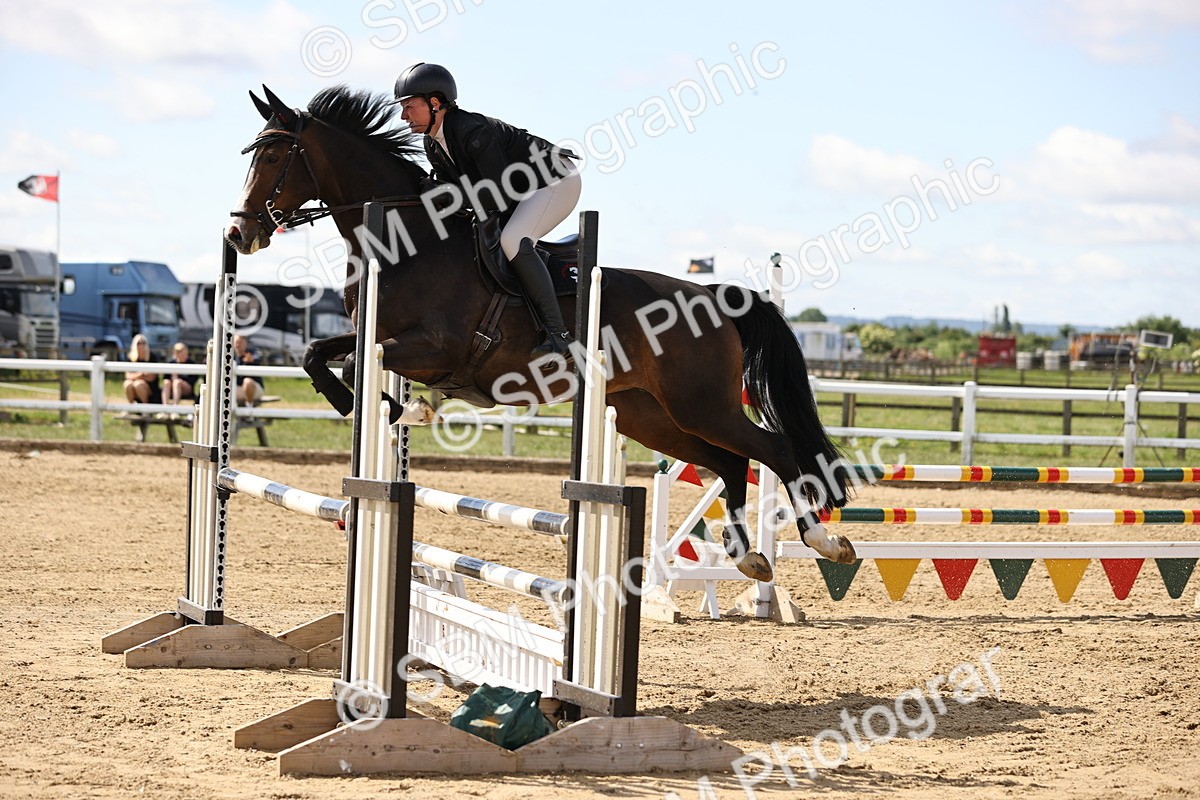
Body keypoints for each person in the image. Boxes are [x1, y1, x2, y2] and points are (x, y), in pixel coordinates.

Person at [394, 62, 581, 360]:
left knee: (513, 240)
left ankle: (559, 335)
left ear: (434, 102)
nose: (403, 115)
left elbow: (496, 191)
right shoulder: (433, 143)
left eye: (408, 106)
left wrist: (446, 193)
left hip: (555, 182)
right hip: (521, 190)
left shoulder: (472, 130)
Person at [123, 334, 161, 408]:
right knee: (127, 384)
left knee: (139, 384)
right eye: (139, 343)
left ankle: (145, 409)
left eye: (143, 343)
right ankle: (131, 407)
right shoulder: (131, 358)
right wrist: (141, 374)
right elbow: (127, 376)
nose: (141, 345)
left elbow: (152, 377)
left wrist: (135, 377)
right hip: (134, 383)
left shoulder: (152, 357)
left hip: (150, 388)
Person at [163, 342, 199, 409]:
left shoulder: (191, 363)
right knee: (166, 382)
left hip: (187, 388)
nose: (184, 355)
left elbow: (193, 379)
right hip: (172, 387)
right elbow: (166, 378)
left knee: (177, 382)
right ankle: (165, 408)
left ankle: (175, 408)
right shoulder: (171, 363)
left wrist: (180, 379)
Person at [233, 334, 264, 406]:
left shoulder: (252, 352)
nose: (238, 345)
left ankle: (249, 409)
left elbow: (258, 357)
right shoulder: (231, 356)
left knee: (248, 382)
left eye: (240, 342)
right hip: (238, 388)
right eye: (236, 342)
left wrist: (252, 360)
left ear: (245, 343)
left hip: (254, 388)